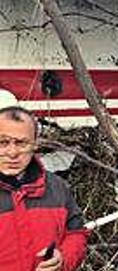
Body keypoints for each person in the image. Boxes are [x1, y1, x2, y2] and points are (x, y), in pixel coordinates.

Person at [0, 105, 88, 271]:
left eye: (21, 143)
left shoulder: (57, 188)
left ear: (35, 145)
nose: (12, 152)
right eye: (3, 142)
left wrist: (63, 258)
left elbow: (76, 234)